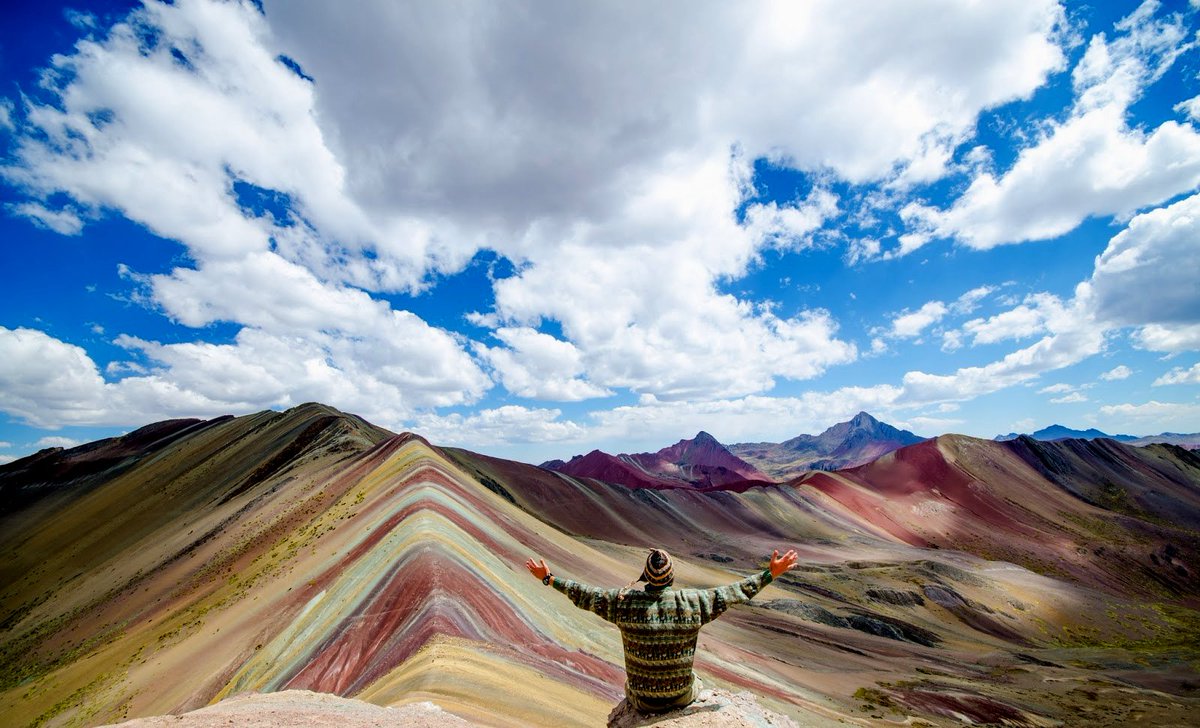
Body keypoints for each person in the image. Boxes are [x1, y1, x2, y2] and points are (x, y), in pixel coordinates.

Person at [524, 547, 799, 714]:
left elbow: (584, 593)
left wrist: (548, 578)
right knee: (696, 679)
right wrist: (769, 574)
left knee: (630, 684)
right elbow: (733, 593)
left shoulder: (623, 604)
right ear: (672, 577)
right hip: (681, 697)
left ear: (644, 577)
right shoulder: (693, 604)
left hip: (641, 700)